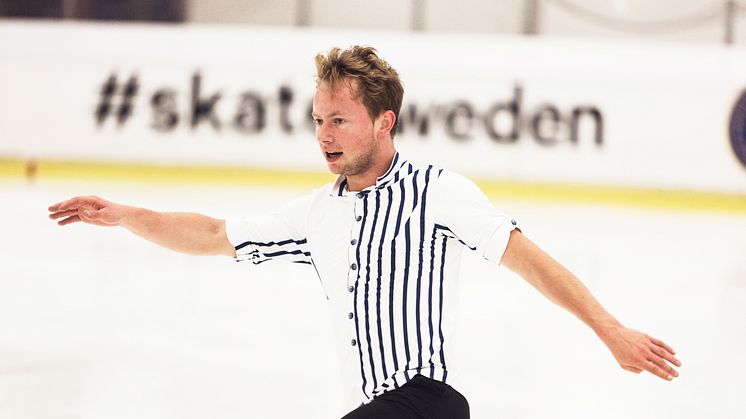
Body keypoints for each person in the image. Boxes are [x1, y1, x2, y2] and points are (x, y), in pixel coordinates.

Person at [48, 46, 681, 419]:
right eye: (318, 119)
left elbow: (529, 261)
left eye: (341, 120)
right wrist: (126, 215)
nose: (324, 134)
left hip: (427, 402)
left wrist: (610, 330)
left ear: (385, 122)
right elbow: (215, 234)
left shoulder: (437, 191)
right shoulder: (317, 215)